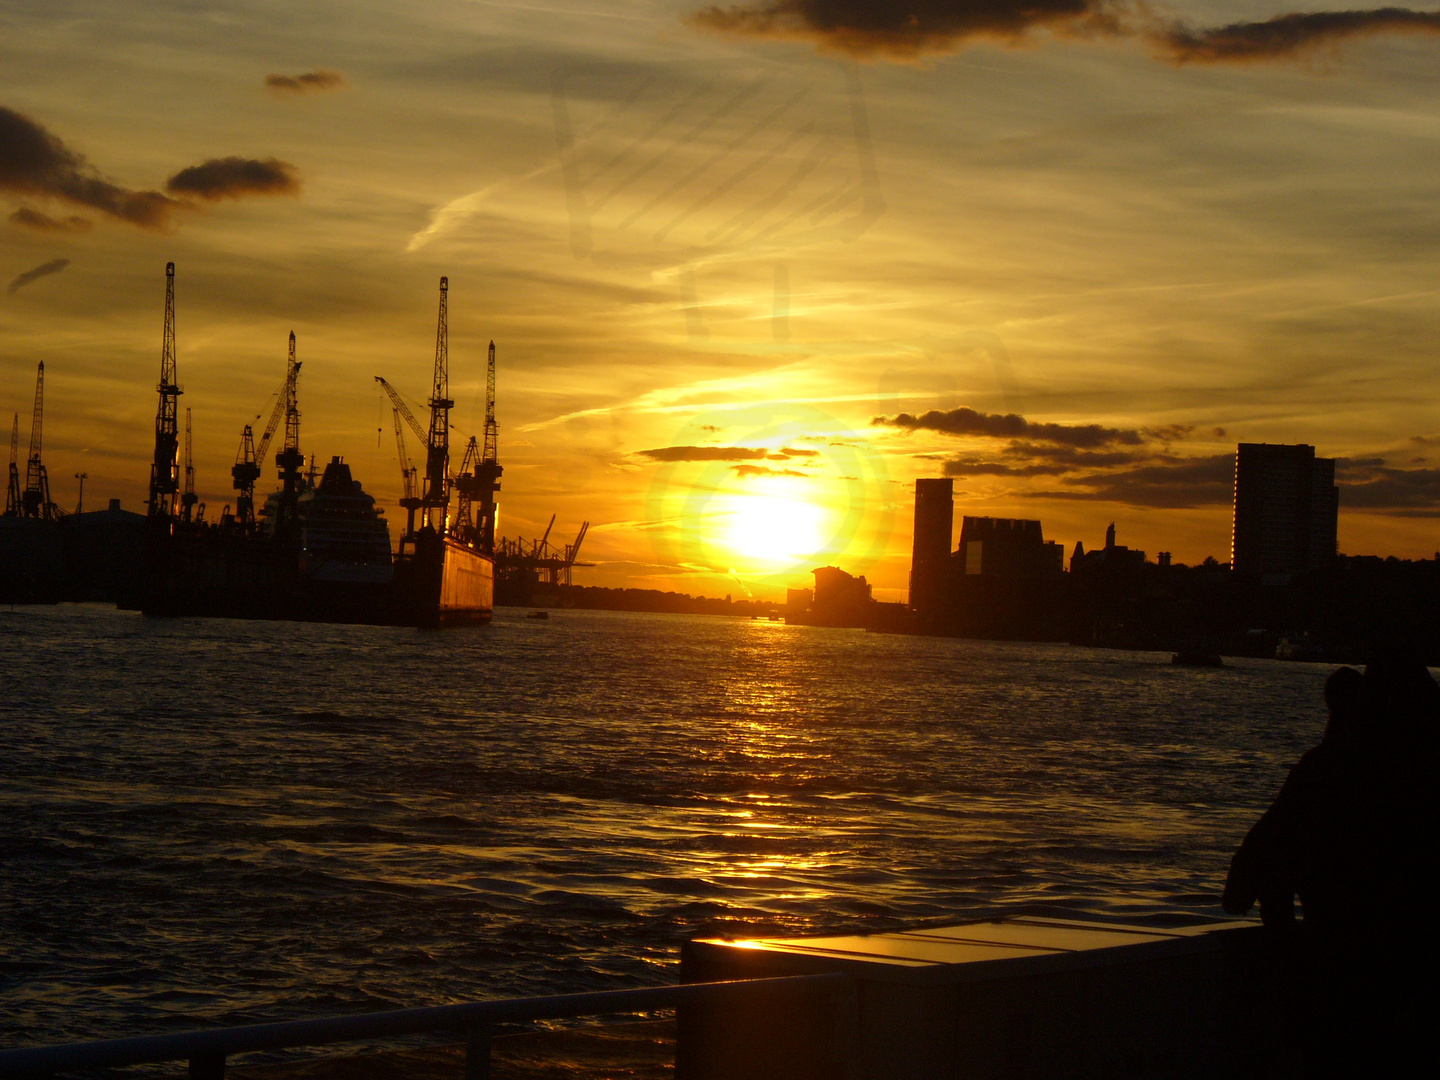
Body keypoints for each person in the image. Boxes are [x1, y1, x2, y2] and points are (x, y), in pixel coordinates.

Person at [1222, 650, 1440, 1074]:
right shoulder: (1416, 776)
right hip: (1407, 994)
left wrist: (1289, 943)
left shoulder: (1326, 770)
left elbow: (1246, 880)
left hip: (1337, 985)